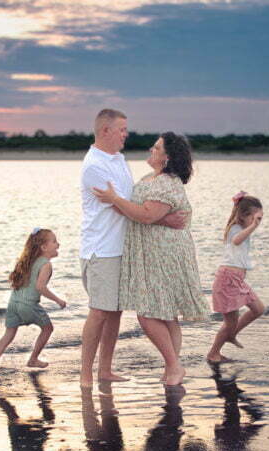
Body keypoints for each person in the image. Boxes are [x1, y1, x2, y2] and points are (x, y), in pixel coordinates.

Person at [79, 109, 185, 388]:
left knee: (113, 312)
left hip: (121, 248)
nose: (127, 134)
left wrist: (158, 214)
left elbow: (133, 202)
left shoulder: (118, 160)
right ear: (105, 131)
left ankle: (105, 370)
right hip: (101, 249)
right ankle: (85, 373)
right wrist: (163, 217)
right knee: (99, 311)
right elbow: (124, 206)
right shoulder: (94, 166)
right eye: (122, 129)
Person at [93, 132, 209, 386]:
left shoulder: (166, 183)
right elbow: (144, 212)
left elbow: (146, 216)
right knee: (166, 314)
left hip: (162, 254)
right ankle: (172, 369)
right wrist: (116, 201)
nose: (150, 150)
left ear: (167, 158)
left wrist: (115, 199)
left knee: (148, 313)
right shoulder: (151, 179)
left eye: (156, 148)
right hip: (153, 252)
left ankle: (174, 366)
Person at [0, 228, 66, 375]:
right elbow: (40, 287)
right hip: (28, 305)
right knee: (48, 329)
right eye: (54, 241)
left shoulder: (27, 261)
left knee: (8, 334)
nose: (58, 244)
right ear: (44, 247)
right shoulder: (46, 264)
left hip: (13, 303)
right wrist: (58, 300)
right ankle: (33, 359)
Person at [206, 192, 266, 363]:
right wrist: (253, 226)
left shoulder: (243, 229)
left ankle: (231, 335)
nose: (258, 222)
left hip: (237, 280)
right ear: (244, 215)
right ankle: (213, 353)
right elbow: (236, 241)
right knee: (230, 322)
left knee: (258, 309)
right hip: (227, 279)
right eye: (256, 218)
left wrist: (252, 225)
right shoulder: (235, 228)